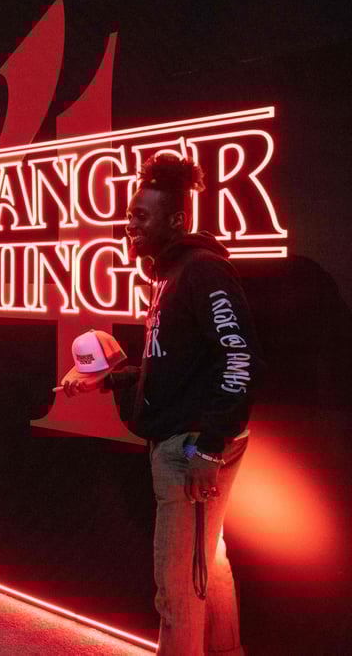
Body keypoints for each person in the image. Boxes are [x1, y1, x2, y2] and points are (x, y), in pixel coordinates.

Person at [60, 154, 262, 655]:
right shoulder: (170, 275)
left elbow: (239, 358)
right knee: (205, 564)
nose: (130, 225)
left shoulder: (202, 272)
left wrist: (209, 449)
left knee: (175, 590)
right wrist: (109, 381)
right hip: (190, 440)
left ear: (176, 220)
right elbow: (176, 366)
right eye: (130, 215)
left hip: (190, 447)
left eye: (141, 217)